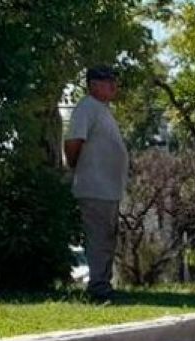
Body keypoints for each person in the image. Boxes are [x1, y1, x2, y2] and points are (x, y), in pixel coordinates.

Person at [64, 65, 129, 302]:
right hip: (94, 187)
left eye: (114, 80)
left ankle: (104, 284)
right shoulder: (86, 107)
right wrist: (76, 168)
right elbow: (72, 142)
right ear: (93, 84)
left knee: (107, 238)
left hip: (108, 189)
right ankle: (98, 288)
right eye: (107, 80)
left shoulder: (102, 110)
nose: (113, 85)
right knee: (98, 238)